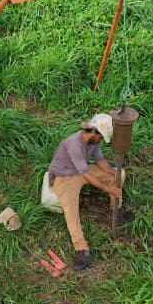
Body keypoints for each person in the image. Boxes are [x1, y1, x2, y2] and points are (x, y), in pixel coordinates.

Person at [47, 113, 122, 271]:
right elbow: (86, 175)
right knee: (71, 212)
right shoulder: (74, 144)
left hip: (81, 171)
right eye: (101, 138)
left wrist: (114, 174)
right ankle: (82, 250)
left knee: (114, 176)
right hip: (63, 178)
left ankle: (116, 210)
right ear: (94, 131)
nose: (101, 142)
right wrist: (108, 188)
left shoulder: (93, 143)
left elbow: (100, 162)